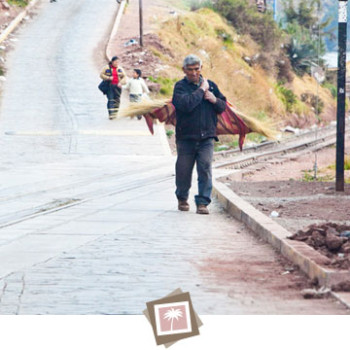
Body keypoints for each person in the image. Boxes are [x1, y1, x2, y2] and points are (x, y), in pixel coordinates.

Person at [172, 54, 226, 215]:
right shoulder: (180, 87)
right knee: (183, 171)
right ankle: (182, 198)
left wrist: (214, 99)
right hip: (186, 138)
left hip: (207, 137)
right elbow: (185, 105)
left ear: (201, 68)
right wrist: (202, 90)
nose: (194, 73)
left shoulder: (212, 86)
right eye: (190, 70)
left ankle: (202, 203)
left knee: (205, 168)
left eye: (197, 69)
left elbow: (223, 107)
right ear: (184, 70)